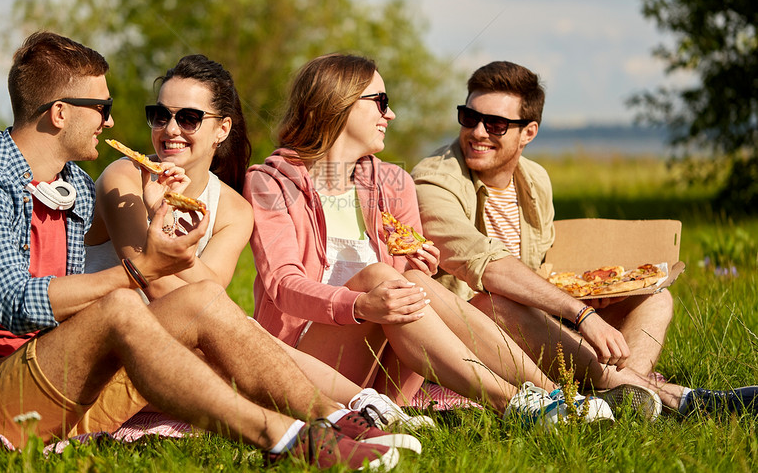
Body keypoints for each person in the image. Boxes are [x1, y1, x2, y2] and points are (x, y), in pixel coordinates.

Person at [0, 32, 404, 470]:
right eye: (102, 109)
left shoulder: (70, 181)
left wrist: (159, 228)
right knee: (119, 304)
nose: (112, 123)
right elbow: (18, 303)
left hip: (52, 369)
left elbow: (198, 294)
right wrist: (142, 267)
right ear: (58, 113)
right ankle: (285, 438)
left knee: (201, 304)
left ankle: (337, 420)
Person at [245, 53, 617, 429]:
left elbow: (407, 282)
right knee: (379, 276)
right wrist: (362, 304)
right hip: (303, 364)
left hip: (386, 375)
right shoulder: (271, 182)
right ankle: (512, 402)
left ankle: (556, 394)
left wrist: (418, 265)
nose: (389, 115)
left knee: (415, 281)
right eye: (381, 102)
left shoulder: (393, 183)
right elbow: (283, 285)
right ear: (338, 103)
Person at [86, 53, 429, 434]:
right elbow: (156, 281)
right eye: (160, 115)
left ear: (222, 128)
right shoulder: (125, 176)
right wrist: (162, 218)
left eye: (188, 118)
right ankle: (353, 407)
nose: (170, 129)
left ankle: (359, 408)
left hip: (184, 341)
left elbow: (210, 291)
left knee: (231, 325)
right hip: (111, 344)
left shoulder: (233, 207)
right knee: (236, 329)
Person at [411, 60, 758, 417]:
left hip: (529, 328)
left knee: (655, 299)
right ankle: (680, 399)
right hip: (472, 334)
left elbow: (540, 268)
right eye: (469, 117)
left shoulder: (534, 180)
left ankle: (626, 398)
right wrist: (580, 313)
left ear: (528, 133)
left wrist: (591, 297)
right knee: (494, 304)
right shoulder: (433, 180)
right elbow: (483, 265)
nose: (478, 132)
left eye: (496, 124)